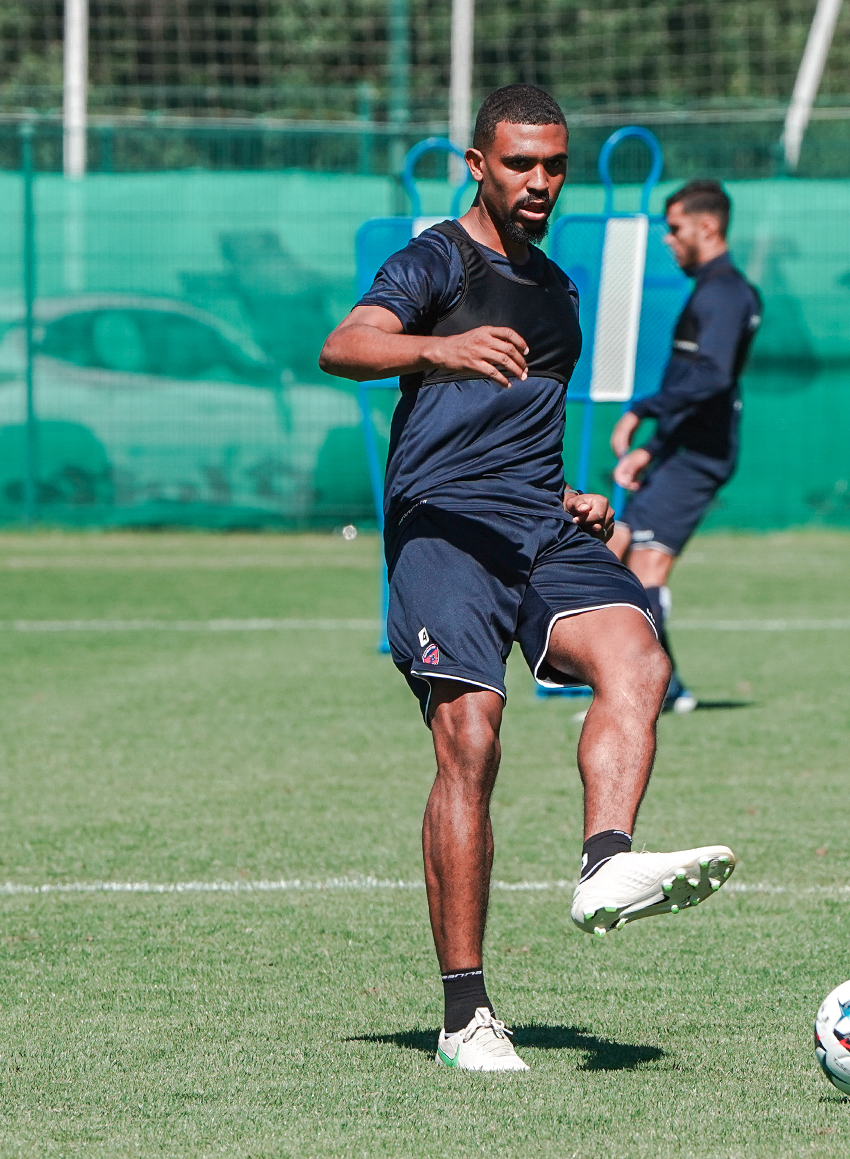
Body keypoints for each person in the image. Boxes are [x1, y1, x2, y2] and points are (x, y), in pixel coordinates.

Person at [319, 85, 736, 1073]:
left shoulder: (556, 291)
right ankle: (465, 1015)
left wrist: (568, 495)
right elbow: (344, 345)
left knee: (636, 656)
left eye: (554, 164)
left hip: (536, 524)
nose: (541, 181)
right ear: (478, 164)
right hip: (444, 531)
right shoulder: (435, 260)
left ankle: (605, 863)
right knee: (471, 737)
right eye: (520, 163)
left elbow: (520, 429)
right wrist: (438, 347)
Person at [606, 180, 762, 710]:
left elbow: (714, 377)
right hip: (682, 448)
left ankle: (658, 690)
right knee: (619, 557)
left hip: (699, 456)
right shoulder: (711, 289)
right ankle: (654, 687)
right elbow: (696, 387)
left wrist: (641, 409)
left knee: (643, 569)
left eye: (674, 229)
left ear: (707, 226)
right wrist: (651, 448)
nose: (668, 240)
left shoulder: (725, 293)